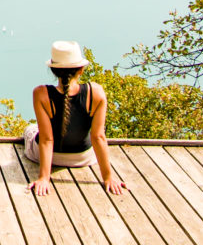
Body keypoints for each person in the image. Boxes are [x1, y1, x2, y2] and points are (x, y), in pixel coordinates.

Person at [23, 40, 126, 196]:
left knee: (30, 129)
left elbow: (46, 139)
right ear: (81, 70)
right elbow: (98, 137)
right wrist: (108, 178)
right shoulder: (96, 92)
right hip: (83, 158)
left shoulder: (41, 93)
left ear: (54, 70)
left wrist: (44, 178)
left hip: (51, 158)